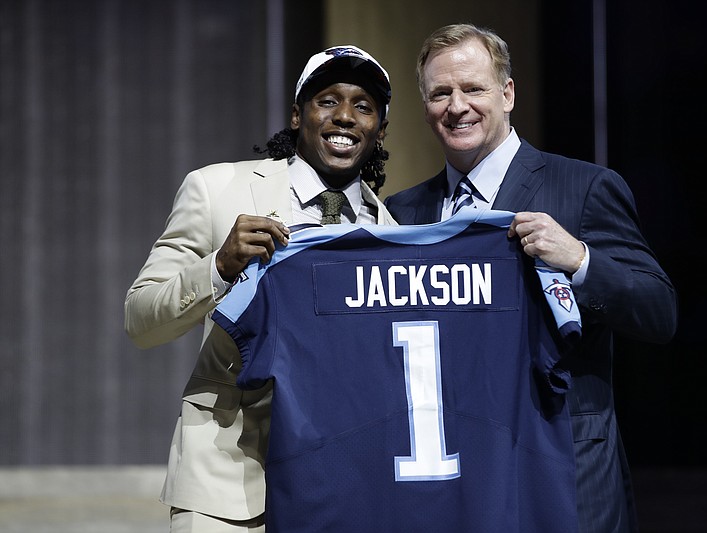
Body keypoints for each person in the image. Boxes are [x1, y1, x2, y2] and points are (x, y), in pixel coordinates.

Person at [384, 23, 677, 533]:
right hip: (453, 483)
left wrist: (581, 259)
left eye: (473, 88)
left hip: (565, 471)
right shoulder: (401, 215)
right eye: (440, 93)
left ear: (508, 93)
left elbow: (659, 311)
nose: (457, 107)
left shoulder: (585, 188)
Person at [125, 44, 395, 533]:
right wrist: (219, 267)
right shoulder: (217, 190)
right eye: (327, 100)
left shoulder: (392, 233)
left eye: (364, 106)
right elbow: (141, 320)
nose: (346, 116)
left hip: (344, 486)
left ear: (378, 128)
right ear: (297, 115)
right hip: (225, 482)